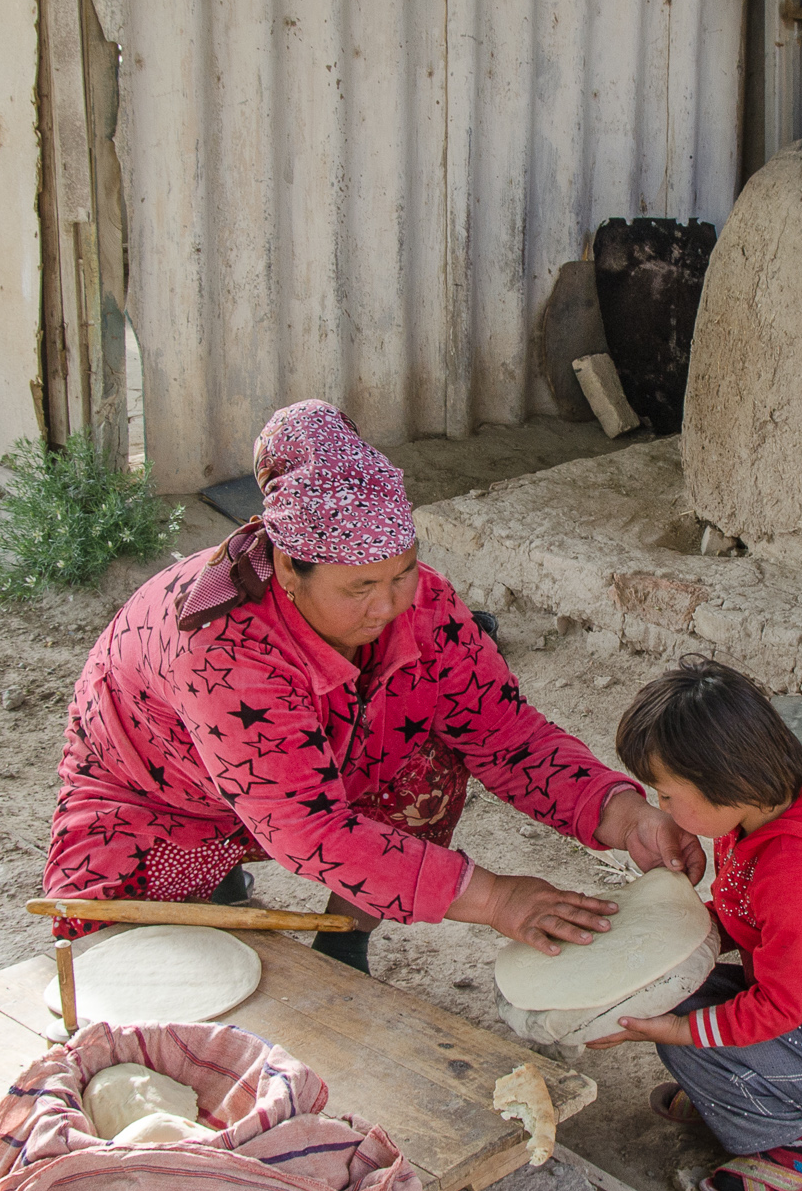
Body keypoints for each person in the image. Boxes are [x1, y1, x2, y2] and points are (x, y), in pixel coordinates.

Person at [43, 399, 704, 973]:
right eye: (359, 587)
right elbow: (306, 828)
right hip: (160, 799)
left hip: (309, 778)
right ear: (287, 568)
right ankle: (208, 882)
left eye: (403, 572)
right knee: (123, 974)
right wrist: (496, 897)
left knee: (431, 768)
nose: (388, 605)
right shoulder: (220, 645)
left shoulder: (424, 605)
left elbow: (504, 731)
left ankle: (343, 944)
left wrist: (624, 815)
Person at [588, 658, 802, 1191]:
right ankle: (738, 1094)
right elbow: (743, 918)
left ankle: (801, 1150)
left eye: (665, 794)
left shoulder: (797, 872)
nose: (662, 810)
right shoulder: (751, 823)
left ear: (723, 780)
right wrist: (653, 932)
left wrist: (679, 1032)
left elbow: (777, 1007)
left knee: (687, 1040)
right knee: (677, 992)